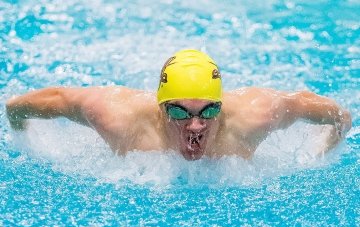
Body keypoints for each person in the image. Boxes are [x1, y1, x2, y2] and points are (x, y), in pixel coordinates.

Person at [6, 49, 352, 160]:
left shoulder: (257, 114)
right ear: (160, 108)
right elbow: (27, 105)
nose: (196, 126)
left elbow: (339, 116)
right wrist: (25, 142)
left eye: (209, 111)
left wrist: (322, 153)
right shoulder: (116, 116)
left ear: (222, 107)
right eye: (178, 112)